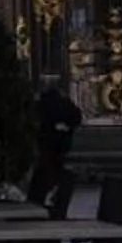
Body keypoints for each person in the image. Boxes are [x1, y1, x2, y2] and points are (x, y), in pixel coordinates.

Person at [27, 80, 83, 212]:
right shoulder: (65, 103)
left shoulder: (42, 103)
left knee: (46, 167)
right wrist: (67, 127)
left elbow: (38, 119)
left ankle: (44, 192)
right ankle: (54, 190)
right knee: (56, 165)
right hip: (61, 142)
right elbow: (77, 116)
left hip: (47, 141)